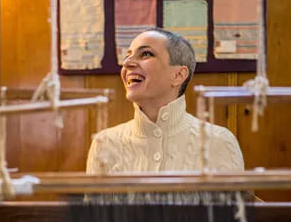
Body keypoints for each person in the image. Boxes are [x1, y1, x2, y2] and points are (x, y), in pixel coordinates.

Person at [86, 27, 244, 174]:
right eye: (127, 56)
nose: (127, 63)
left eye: (146, 54)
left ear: (178, 75)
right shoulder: (104, 143)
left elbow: (236, 204)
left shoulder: (220, 142)